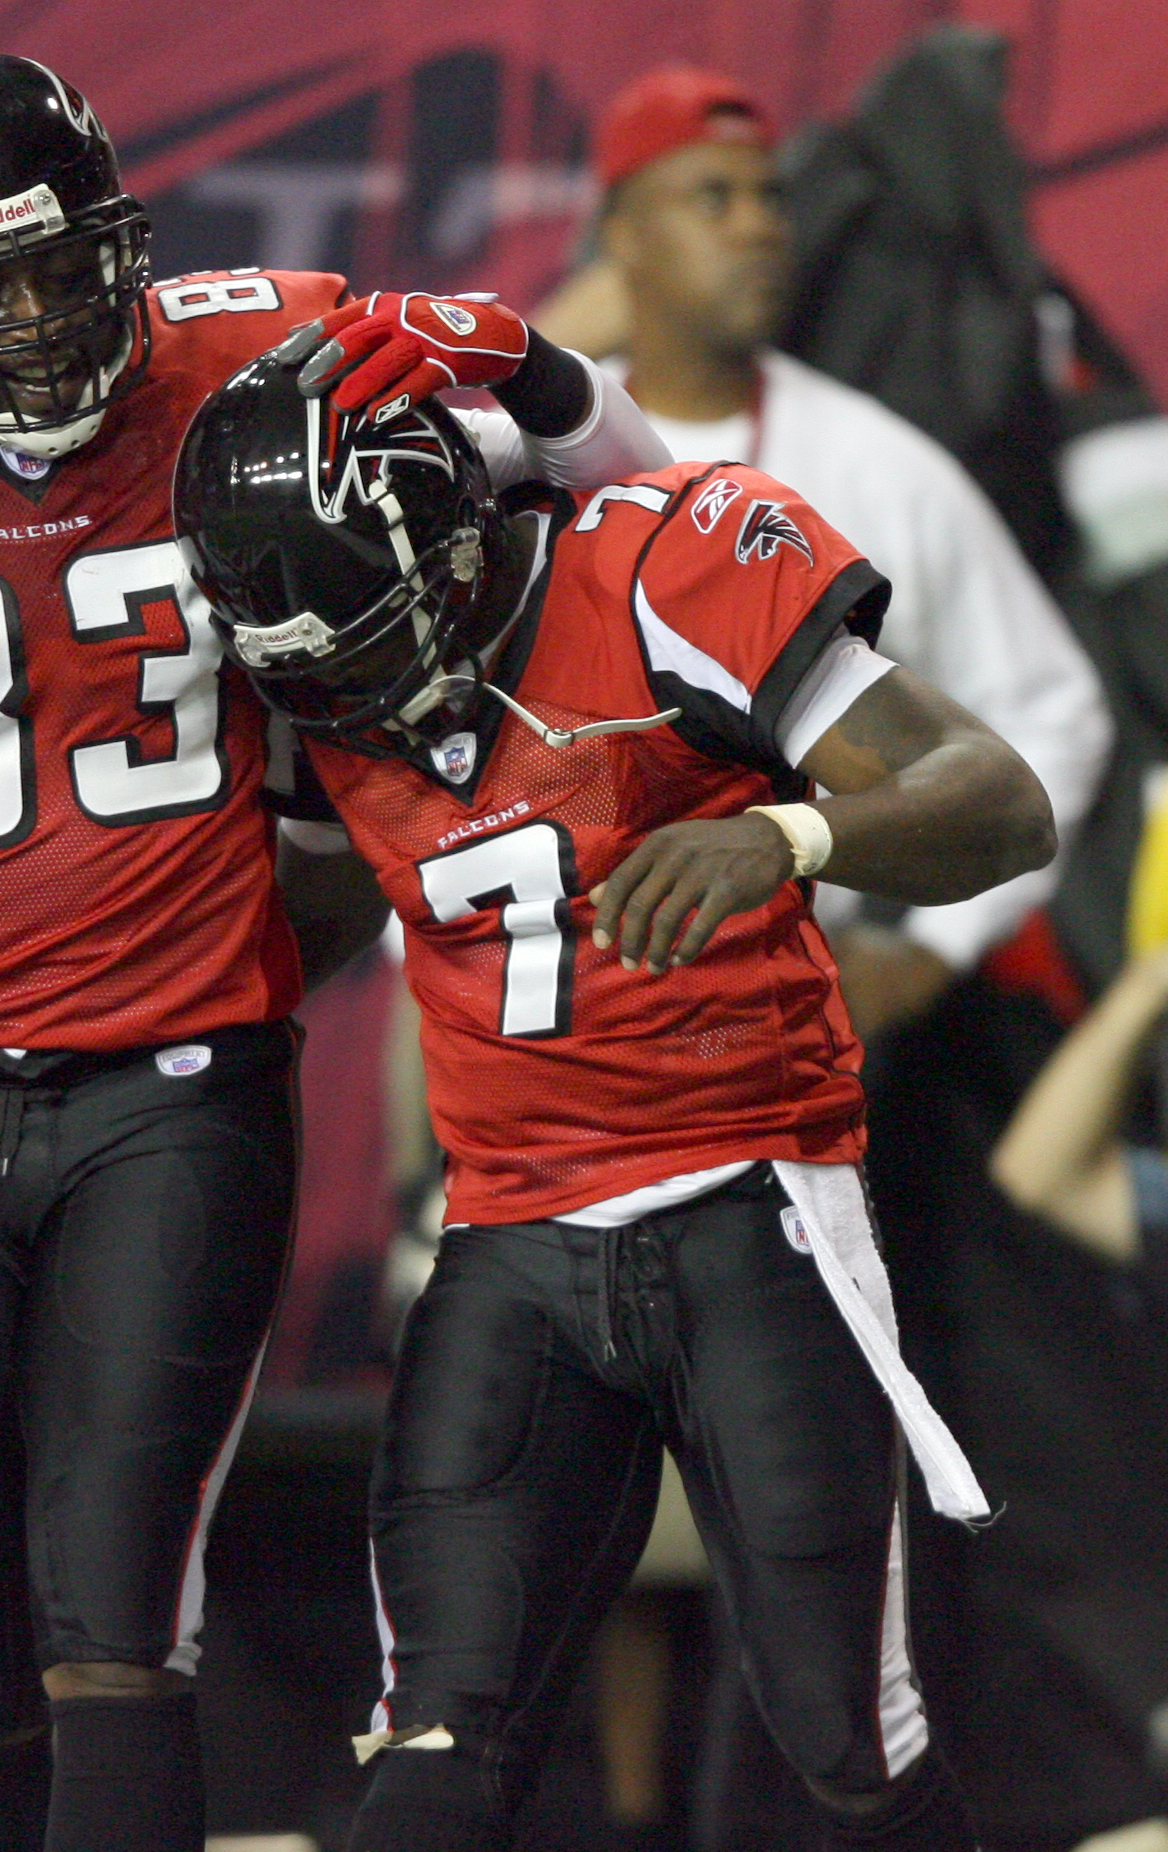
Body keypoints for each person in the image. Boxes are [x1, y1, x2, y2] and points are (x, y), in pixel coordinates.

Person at [0, 52, 669, 1852]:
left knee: (112, 1618)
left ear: (121, 237)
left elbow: (645, 503)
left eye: (53, 266)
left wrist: (553, 382)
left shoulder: (243, 362)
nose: (26, 320)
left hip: (175, 1088)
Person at [173, 342, 1057, 1852]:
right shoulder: (329, 668)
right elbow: (301, 932)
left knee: (849, 1745)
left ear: (452, 541)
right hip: (510, 1238)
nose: (358, 694)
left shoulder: (658, 563)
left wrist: (789, 837)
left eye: (374, 639)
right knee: (436, 1750)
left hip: (751, 1205)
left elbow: (1003, 803)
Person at [535, 64, 1106, 1041]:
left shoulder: (874, 457)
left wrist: (931, 949)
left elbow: (1051, 710)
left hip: (798, 1002)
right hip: (550, 1005)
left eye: (768, 197)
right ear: (621, 237)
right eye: (710, 197)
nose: (757, 227)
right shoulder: (531, 457)